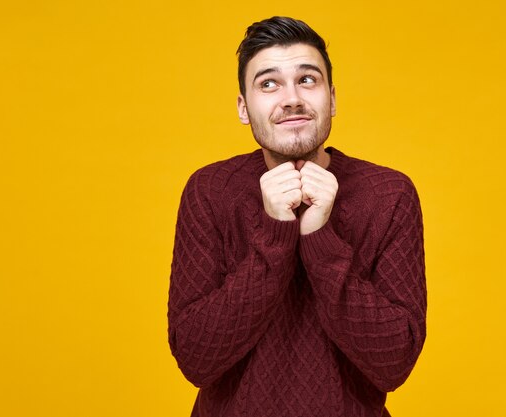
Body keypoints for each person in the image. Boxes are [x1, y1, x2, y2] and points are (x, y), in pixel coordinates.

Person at [167, 16, 426, 417]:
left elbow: (393, 364)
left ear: (333, 98)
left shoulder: (389, 195)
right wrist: (274, 236)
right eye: (268, 83)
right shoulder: (210, 191)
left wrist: (321, 238)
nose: (291, 98)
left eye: (307, 79)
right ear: (243, 107)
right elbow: (196, 358)